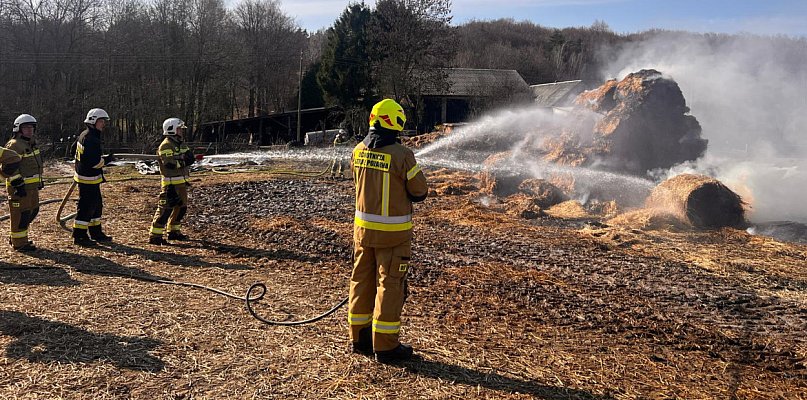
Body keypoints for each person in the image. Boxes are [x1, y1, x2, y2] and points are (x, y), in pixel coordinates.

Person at [348, 99, 428, 363]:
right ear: (396, 122)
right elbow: (420, 192)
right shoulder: (402, 155)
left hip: (362, 234)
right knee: (389, 287)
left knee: (361, 281)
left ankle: (359, 339)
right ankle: (385, 346)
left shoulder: (358, 150)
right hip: (393, 238)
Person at [148, 118, 200, 245]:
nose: (181, 131)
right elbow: (169, 163)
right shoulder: (166, 145)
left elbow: (188, 155)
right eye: (179, 129)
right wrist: (184, 161)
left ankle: (173, 231)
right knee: (165, 209)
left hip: (181, 183)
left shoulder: (180, 143)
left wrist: (190, 157)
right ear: (171, 129)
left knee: (182, 208)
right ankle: (155, 236)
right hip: (170, 184)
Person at [72, 108, 114, 246]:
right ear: (93, 121)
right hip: (88, 178)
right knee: (86, 207)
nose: (103, 124)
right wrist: (107, 161)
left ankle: (96, 232)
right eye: (101, 121)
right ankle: (79, 236)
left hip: (88, 178)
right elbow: (94, 162)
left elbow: (77, 152)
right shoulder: (91, 139)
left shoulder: (86, 135)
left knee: (96, 206)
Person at [5, 114, 44, 251]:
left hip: (31, 187)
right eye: (26, 127)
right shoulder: (15, 145)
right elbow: (9, 167)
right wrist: (18, 184)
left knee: (32, 211)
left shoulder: (31, 144)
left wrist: (39, 181)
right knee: (21, 215)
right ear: (18, 129)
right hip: (19, 188)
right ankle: (19, 243)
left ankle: (19, 239)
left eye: (32, 127)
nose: (30, 130)